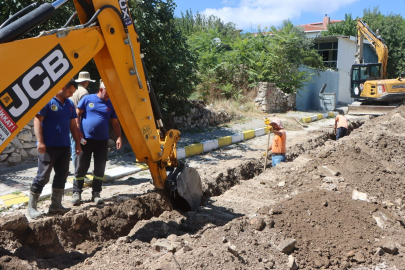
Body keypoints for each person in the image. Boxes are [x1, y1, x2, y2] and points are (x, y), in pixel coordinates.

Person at [28, 79, 82, 219]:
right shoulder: (47, 101)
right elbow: (37, 120)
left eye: (73, 93)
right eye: (70, 91)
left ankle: (55, 205)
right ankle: (32, 208)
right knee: (43, 176)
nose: (71, 95)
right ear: (63, 87)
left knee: (62, 175)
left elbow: (73, 126)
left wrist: (77, 143)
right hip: (48, 147)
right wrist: (40, 142)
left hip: (64, 146)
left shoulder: (70, 104)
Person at [72, 80, 122, 205]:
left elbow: (115, 123)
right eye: (108, 92)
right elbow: (77, 114)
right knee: (82, 166)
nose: (109, 95)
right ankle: (76, 193)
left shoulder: (111, 104)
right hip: (86, 140)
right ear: (101, 89)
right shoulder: (88, 99)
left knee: (100, 168)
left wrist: (119, 137)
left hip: (102, 142)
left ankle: (96, 193)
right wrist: (77, 130)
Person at [69, 71, 95, 171]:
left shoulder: (73, 90)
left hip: (68, 120)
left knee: (69, 146)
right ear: (87, 81)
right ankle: (78, 170)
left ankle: (65, 170)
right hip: (77, 123)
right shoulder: (84, 93)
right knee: (76, 147)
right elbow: (84, 111)